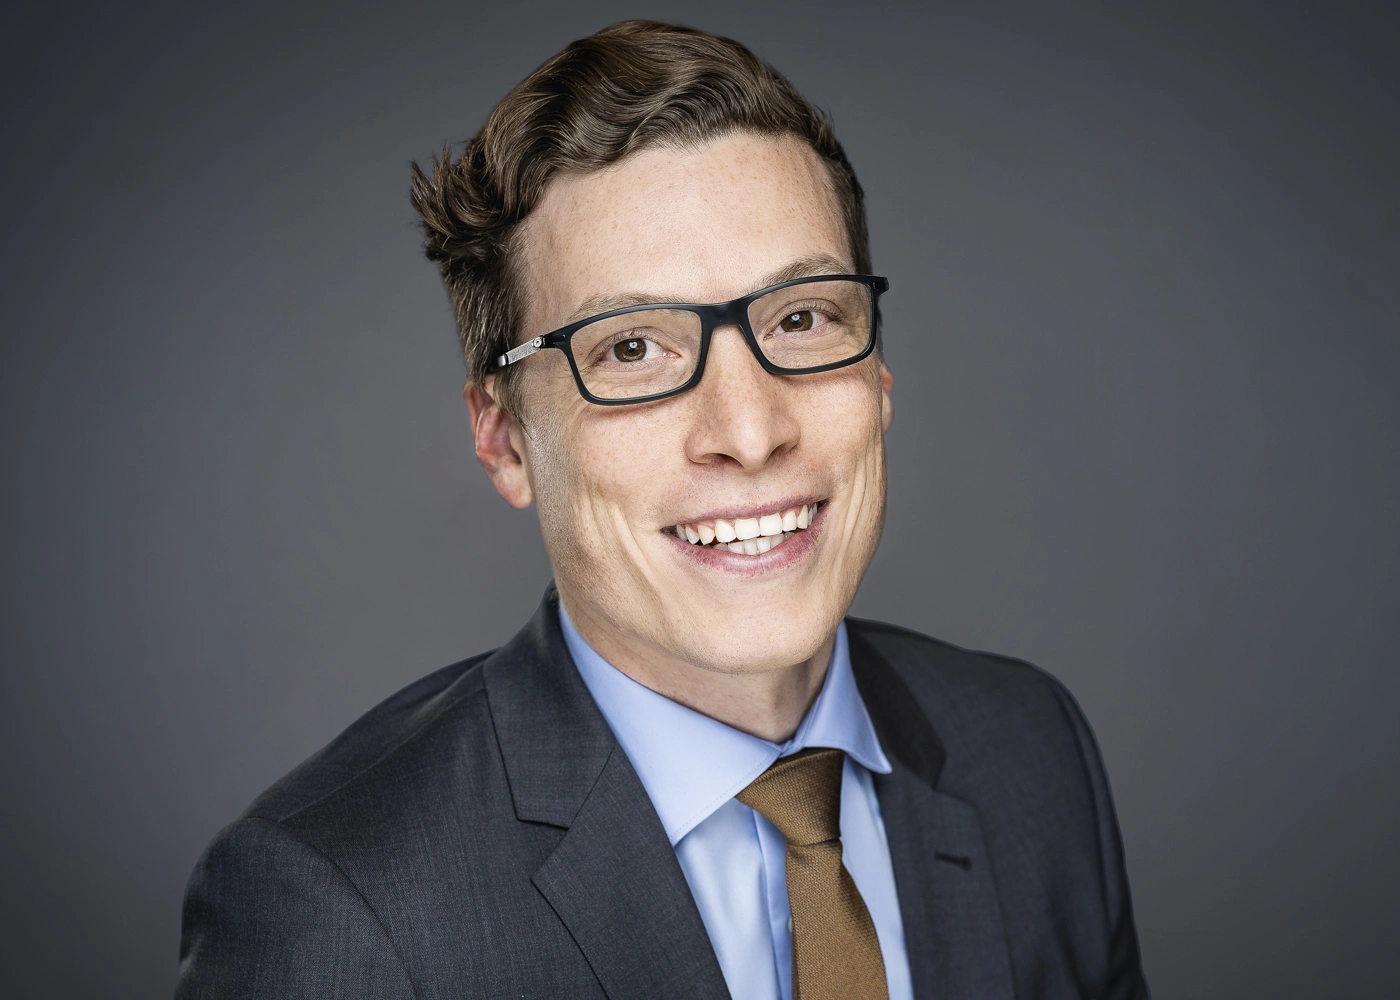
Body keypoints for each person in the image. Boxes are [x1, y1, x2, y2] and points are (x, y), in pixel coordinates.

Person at [176, 20, 1148, 1000]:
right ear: (503, 438)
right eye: (631, 348)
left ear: (879, 374)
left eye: (801, 319)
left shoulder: (1030, 750)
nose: (750, 428)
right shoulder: (333, 909)